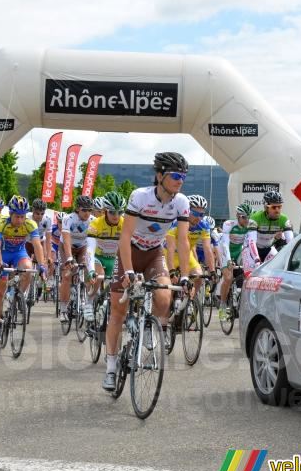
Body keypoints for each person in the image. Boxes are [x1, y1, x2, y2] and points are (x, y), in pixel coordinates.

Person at [102, 152, 192, 391]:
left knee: (164, 297)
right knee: (118, 312)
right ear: (160, 176)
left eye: (183, 176)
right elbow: (125, 236)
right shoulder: (140, 196)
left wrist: (185, 276)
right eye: (175, 176)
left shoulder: (181, 202)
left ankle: (150, 327)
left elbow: (183, 241)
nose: (180, 181)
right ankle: (111, 367)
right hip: (130, 252)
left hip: (154, 253)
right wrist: (129, 272)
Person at [0, 195, 46, 344]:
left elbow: (37, 245)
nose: (20, 220)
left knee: (28, 270)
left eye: (22, 216)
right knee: (0, 290)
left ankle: (17, 295)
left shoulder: (30, 224)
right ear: (10, 214)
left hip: (19, 253)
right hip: (2, 253)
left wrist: (42, 265)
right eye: (17, 217)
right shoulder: (0, 223)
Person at [84, 191, 126, 320]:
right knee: (98, 276)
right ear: (105, 210)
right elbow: (90, 249)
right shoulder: (96, 224)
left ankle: (107, 304)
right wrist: (91, 270)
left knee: (119, 284)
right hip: (98, 257)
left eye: (120, 212)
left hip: (114, 259)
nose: (116, 216)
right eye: (112, 212)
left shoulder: (124, 224)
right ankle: (88, 303)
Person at [164, 194, 215, 297]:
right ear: (187, 210)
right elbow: (170, 248)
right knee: (169, 291)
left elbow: (208, 249)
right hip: (168, 255)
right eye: (195, 213)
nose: (198, 218)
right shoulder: (175, 223)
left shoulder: (204, 226)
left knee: (199, 277)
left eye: (201, 214)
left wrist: (212, 271)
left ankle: (189, 301)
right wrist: (171, 270)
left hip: (187, 256)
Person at [218, 203, 259, 320]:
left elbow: (251, 243)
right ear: (237, 216)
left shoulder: (251, 225)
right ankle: (222, 304)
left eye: (249, 217)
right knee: (228, 278)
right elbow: (225, 244)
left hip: (239, 251)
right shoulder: (229, 224)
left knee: (249, 276)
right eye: (244, 217)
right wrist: (229, 260)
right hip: (226, 252)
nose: (247, 220)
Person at [59, 195, 94, 323]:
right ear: (77, 209)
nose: (87, 213)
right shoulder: (68, 219)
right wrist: (69, 258)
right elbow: (66, 240)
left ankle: (86, 302)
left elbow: (94, 242)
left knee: (88, 271)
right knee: (66, 275)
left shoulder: (93, 220)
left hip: (82, 247)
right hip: (67, 246)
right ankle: (63, 310)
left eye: (89, 210)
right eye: (84, 210)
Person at [251, 190, 294, 261]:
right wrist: (256, 258)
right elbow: (251, 241)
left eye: (279, 207)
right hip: (253, 248)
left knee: (279, 264)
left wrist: (290, 259)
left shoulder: (284, 219)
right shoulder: (256, 218)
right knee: (254, 266)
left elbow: (290, 241)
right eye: (274, 207)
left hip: (269, 248)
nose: (277, 210)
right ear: (266, 207)